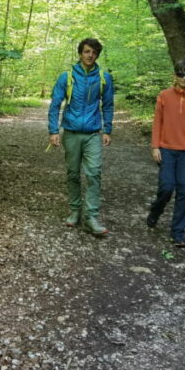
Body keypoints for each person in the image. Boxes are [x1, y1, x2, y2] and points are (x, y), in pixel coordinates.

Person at [48, 38, 115, 236]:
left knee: (94, 173)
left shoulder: (104, 77)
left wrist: (107, 130)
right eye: (86, 51)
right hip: (71, 132)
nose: (90, 55)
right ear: (80, 53)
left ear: (97, 55)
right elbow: (55, 105)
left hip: (93, 133)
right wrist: (53, 130)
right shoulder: (66, 77)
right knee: (73, 173)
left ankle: (91, 216)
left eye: (93, 52)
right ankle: (75, 210)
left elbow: (108, 105)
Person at [146, 59, 185, 248]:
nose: (184, 78)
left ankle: (178, 232)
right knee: (166, 187)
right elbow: (157, 123)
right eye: (181, 74)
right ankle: (155, 211)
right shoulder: (164, 96)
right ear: (175, 75)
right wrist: (155, 146)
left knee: (184, 190)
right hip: (167, 150)